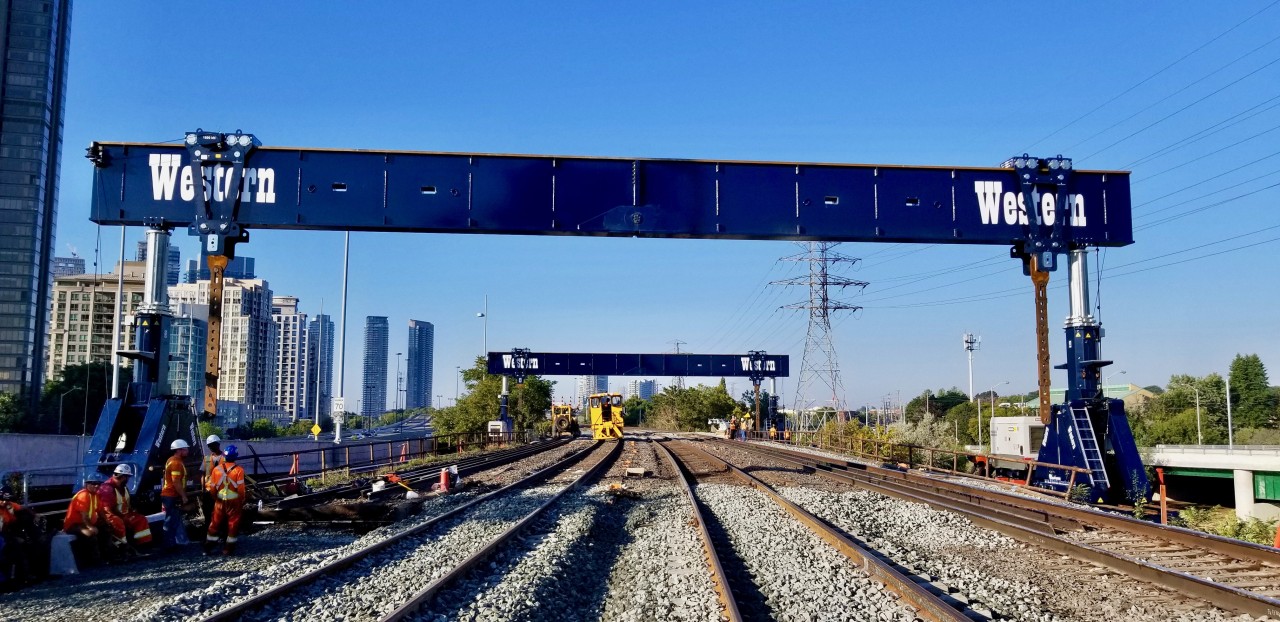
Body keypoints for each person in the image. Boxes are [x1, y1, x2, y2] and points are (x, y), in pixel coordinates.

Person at [98, 464, 152, 556]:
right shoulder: (107, 488)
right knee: (118, 522)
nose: (128, 479)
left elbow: (126, 503)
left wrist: (132, 512)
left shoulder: (123, 487)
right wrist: (121, 517)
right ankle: (121, 550)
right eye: (127, 477)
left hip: (124, 514)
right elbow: (107, 509)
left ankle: (142, 545)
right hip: (110, 516)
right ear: (122, 477)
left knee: (141, 519)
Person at [204, 444, 246, 556]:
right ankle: (228, 549)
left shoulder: (216, 470)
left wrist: (215, 498)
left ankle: (208, 547)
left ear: (225, 456)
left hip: (219, 500)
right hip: (233, 501)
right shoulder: (239, 470)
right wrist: (242, 499)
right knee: (233, 524)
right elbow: (241, 488)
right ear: (235, 456)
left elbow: (212, 488)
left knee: (215, 522)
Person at [63, 476, 104, 565]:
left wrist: (107, 522)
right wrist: (91, 527)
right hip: (73, 525)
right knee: (89, 534)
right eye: (93, 483)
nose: (96, 486)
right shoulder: (83, 495)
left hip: (84, 523)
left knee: (106, 529)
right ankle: (93, 561)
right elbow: (84, 516)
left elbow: (100, 510)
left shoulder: (95, 495)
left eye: (99, 484)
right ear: (87, 484)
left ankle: (109, 556)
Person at [160, 440, 191, 550]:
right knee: (169, 519)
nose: (188, 451)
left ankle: (177, 542)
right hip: (170, 495)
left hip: (169, 494)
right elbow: (176, 482)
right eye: (185, 449)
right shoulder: (176, 463)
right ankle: (169, 545)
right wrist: (183, 496)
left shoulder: (172, 460)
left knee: (173, 518)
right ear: (179, 450)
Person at [199, 434, 225, 525]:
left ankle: (222, 534)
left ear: (218, 444)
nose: (211, 447)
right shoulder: (206, 459)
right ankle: (209, 533)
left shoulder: (225, 458)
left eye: (213, 445)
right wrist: (203, 489)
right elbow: (202, 475)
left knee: (222, 514)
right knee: (208, 513)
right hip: (209, 491)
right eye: (209, 445)